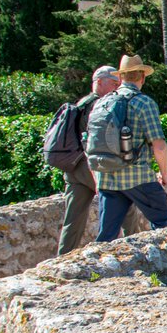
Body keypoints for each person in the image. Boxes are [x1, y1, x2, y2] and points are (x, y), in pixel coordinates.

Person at [93, 55, 167, 242]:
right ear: (142, 77)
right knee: (163, 220)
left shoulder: (102, 103)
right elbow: (159, 145)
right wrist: (164, 174)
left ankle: (100, 270)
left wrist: (97, 178)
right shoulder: (143, 103)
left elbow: (92, 143)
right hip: (137, 176)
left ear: (120, 78)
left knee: (107, 235)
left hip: (107, 177)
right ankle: (165, 265)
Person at [57, 65, 118, 255]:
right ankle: (138, 253)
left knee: (73, 222)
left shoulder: (81, 104)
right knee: (123, 202)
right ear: (99, 82)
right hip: (90, 167)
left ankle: (62, 260)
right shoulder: (97, 105)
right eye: (114, 83)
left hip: (73, 168)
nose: (117, 88)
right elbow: (97, 141)